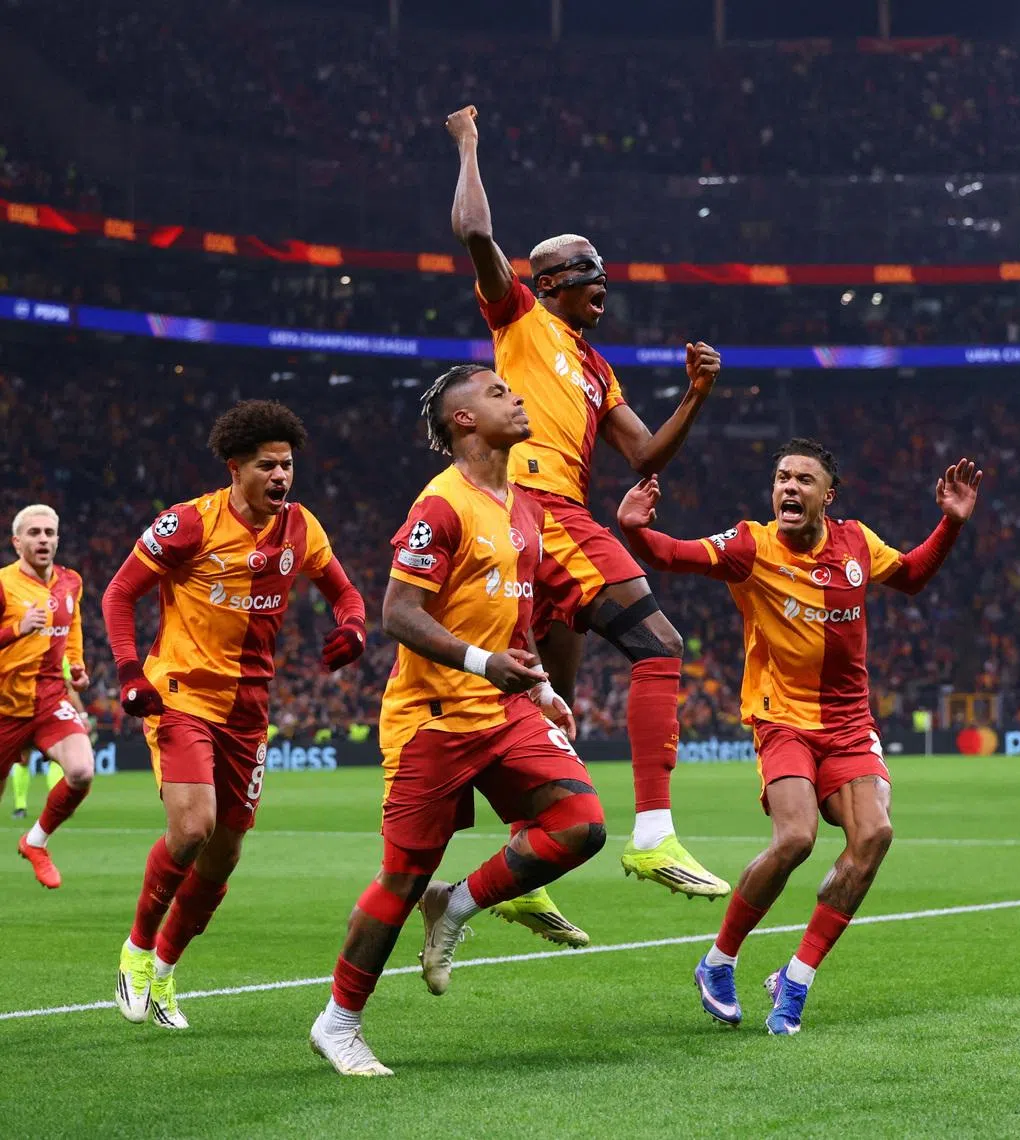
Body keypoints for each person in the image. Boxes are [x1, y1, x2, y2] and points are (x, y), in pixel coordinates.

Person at [446, 104, 729, 943]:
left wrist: (696, 397)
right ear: (548, 282)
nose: (603, 280)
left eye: (602, 269)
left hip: (541, 523)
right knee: (660, 644)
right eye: (587, 269)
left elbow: (645, 454)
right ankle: (652, 834)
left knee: (553, 700)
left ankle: (524, 869)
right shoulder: (519, 320)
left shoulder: (598, 370)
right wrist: (468, 145)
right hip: (540, 506)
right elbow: (474, 232)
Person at [616, 441, 983, 1034]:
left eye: (804, 480)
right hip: (782, 718)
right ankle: (719, 962)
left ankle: (797, 977)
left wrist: (951, 522)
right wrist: (635, 529)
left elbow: (912, 576)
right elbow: (671, 554)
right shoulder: (750, 546)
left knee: (875, 834)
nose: (789, 487)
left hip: (849, 724)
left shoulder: (857, 543)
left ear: (827, 496)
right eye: (782, 478)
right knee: (796, 838)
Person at [309, 365, 605, 1077]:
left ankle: (459, 904)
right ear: (463, 419)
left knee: (580, 825)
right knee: (402, 877)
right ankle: (338, 1023)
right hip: (432, 719)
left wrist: (540, 688)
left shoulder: (524, 508)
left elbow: (516, 618)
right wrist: (482, 663)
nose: (517, 397)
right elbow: (397, 613)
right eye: (498, 392)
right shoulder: (440, 505)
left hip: (503, 707)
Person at [101, 400, 367, 1030]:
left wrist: (353, 627)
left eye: (288, 465)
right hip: (182, 695)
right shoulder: (189, 524)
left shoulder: (301, 527)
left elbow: (345, 592)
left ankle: (165, 969)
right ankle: (136, 950)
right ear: (235, 468)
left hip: (249, 711)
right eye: (267, 466)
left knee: (223, 855)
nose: (281, 476)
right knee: (193, 828)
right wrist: (129, 672)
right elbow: (119, 593)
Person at [0, 505, 95, 888]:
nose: (43, 539)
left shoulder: (71, 581)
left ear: (57, 539)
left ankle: (35, 841)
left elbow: (73, 626)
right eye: (34, 533)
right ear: (17, 542)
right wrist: (16, 630)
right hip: (4, 705)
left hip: (49, 698)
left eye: (49, 533)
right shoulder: (4, 584)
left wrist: (77, 665)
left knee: (82, 771)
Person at [8, 658, 83, 818]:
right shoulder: (49, 653)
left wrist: (81, 712)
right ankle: (22, 806)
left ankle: (51, 805)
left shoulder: (58, 656)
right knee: (27, 759)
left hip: (40, 711)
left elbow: (68, 686)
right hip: (28, 711)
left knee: (52, 758)